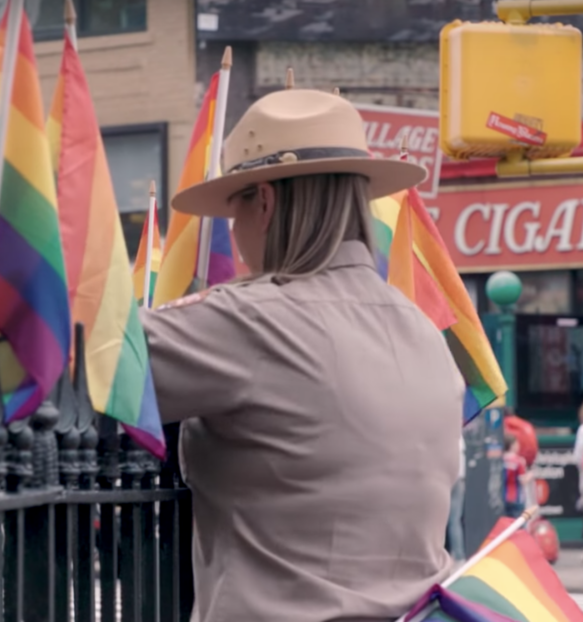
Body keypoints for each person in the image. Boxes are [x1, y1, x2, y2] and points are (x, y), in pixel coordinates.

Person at [140, 88, 463, 622]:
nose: (232, 232)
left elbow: (90, 362)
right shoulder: (424, 330)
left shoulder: (254, 320)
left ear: (264, 203)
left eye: (233, 210)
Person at [446, 434, 467, 562]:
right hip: (459, 479)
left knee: (448, 521)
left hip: (449, 479)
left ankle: (454, 554)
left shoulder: (447, 436)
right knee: (455, 520)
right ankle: (458, 555)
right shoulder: (459, 438)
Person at [504, 433, 530, 518]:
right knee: (518, 526)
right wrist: (531, 475)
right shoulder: (519, 461)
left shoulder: (501, 460)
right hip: (516, 499)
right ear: (512, 445)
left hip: (503, 498)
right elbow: (523, 481)